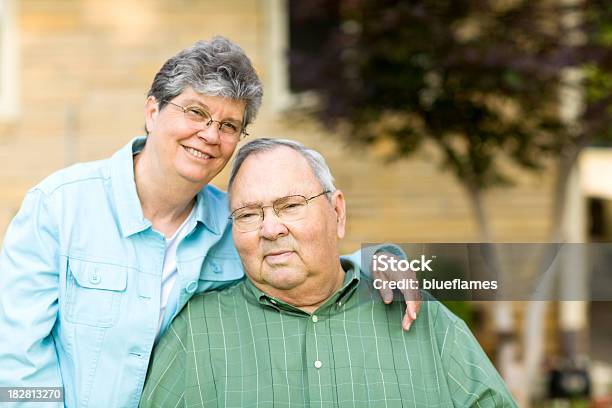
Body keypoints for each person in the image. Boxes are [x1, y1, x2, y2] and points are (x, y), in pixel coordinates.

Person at [0, 38, 419, 407]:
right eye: (196, 112)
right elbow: (16, 358)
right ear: (152, 111)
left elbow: (308, 267)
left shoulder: (239, 223)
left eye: (228, 125)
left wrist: (377, 260)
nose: (210, 135)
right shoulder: (59, 207)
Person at [140, 138, 518, 408]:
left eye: (290, 206)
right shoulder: (196, 333)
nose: (270, 229)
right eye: (249, 214)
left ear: (337, 213)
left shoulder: (420, 317)